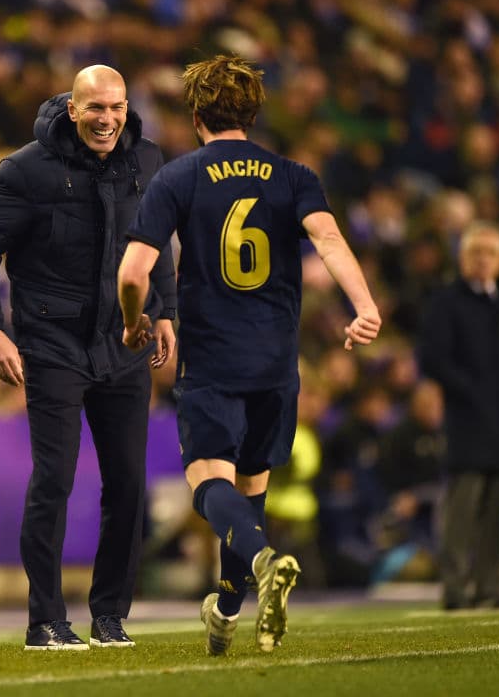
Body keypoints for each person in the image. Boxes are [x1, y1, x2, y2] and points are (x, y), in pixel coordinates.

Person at [117, 55, 380, 655]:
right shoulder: (293, 175)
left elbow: (134, 271)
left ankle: (263, 562)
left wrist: (135, 323)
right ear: (255, 112)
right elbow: (329, 240)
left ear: (194, 113)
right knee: (250, 493)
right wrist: (363, 306)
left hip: (212, 357)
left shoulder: (178, 177)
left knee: (209, 483)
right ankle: (230, 615)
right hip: (277, 362)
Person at [0, 64, 177, 650]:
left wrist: (169, 310)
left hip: (124, 340)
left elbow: (157, 246)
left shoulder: (147, 161)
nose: (107, 120)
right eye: (96, 109)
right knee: (54, 479)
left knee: (129, 483)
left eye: (117, 108)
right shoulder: (25, 170)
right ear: (72, 109)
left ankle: (110, 616)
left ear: (129, 109)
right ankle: (44, 620)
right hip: (51, 343)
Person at [418, 224, 499, 610]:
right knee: (462, 508)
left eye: (491, 252)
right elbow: (432, 358)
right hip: (468, 420)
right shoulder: (447, 301)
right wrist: (470, 391)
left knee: (497, 510)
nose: (483, 259)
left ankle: (489, 586)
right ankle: (454, 587)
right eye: (476, 252)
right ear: (463, 257)